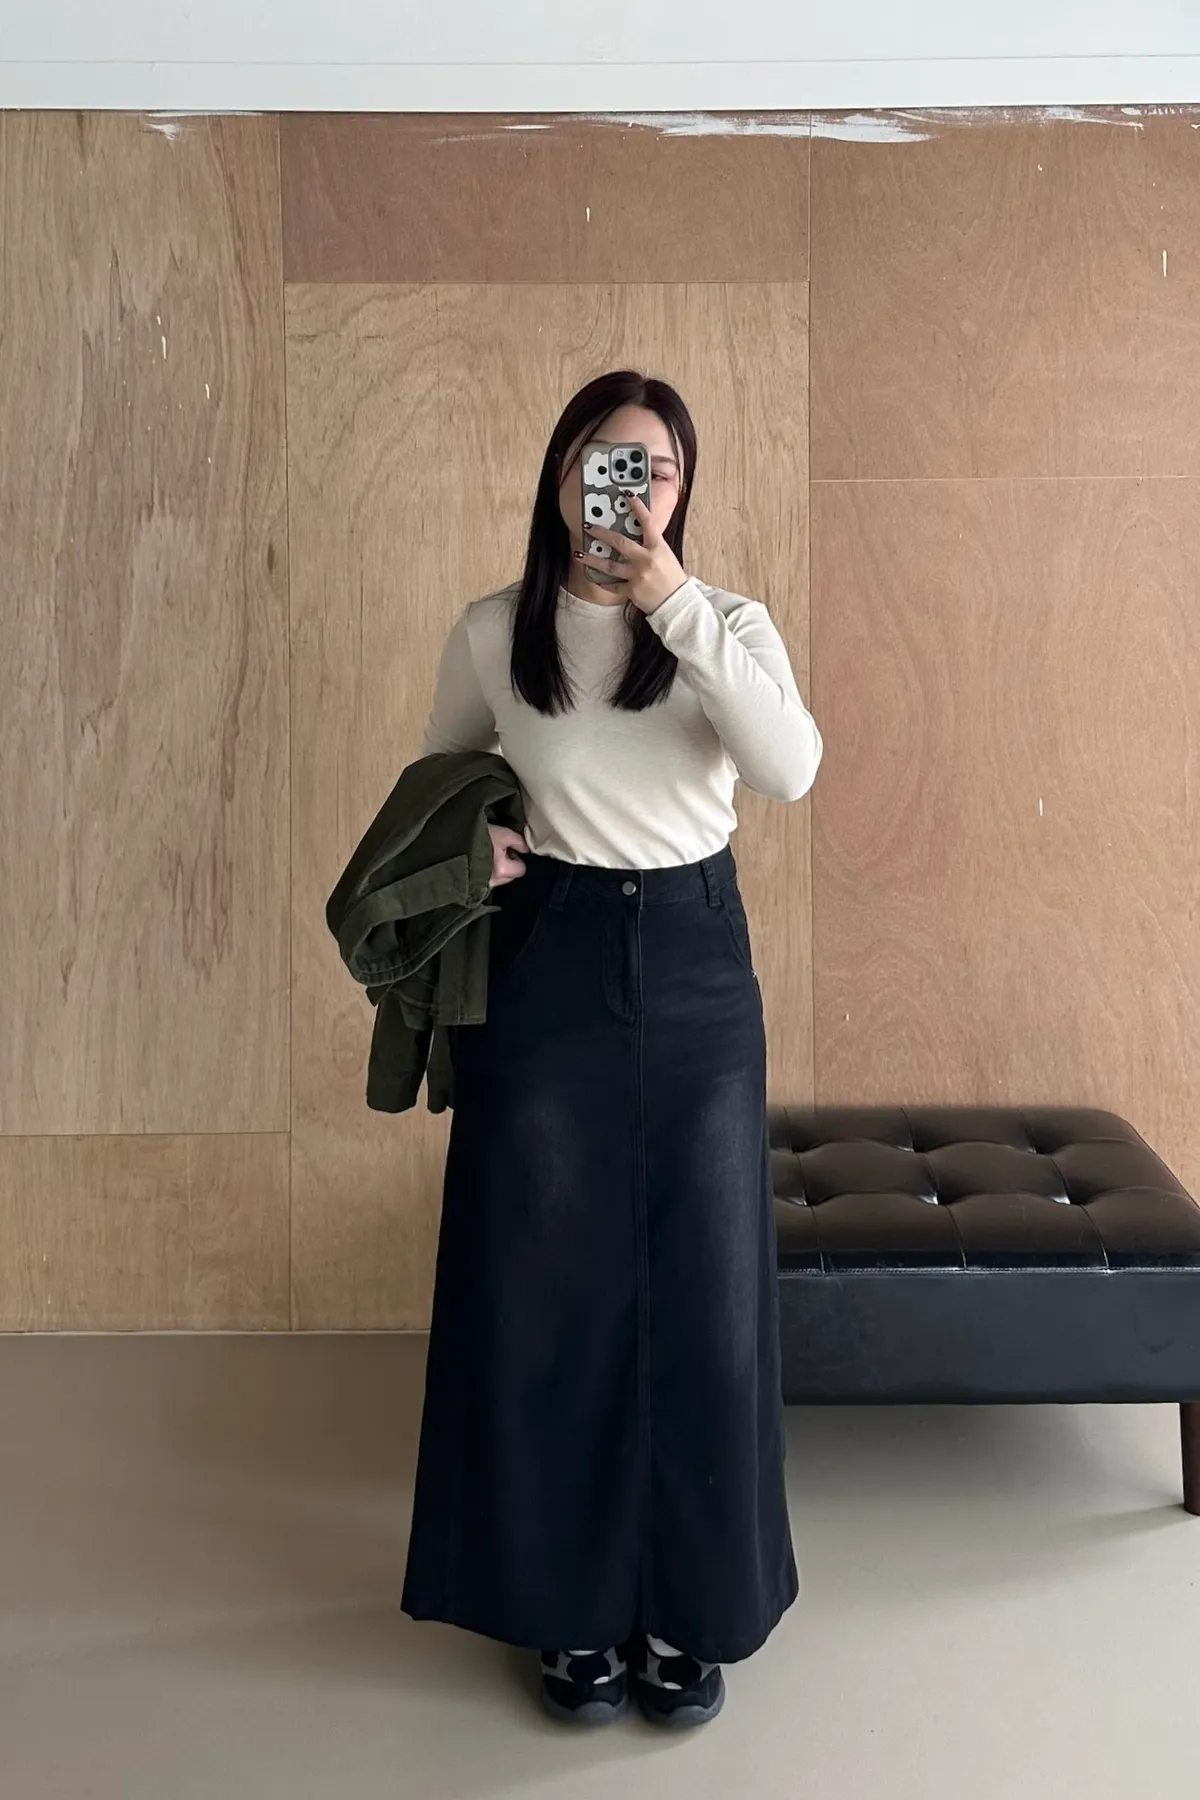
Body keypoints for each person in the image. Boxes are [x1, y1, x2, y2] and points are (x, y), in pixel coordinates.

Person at [400, 369, 823, 1729]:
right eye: (607, 459)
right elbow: (436, 782)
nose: (631, 488)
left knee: (705, 1298)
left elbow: (790, 768)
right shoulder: (494, 631)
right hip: (550, 957)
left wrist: (672, 601)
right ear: (563, 471)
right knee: (544, 1288)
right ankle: (567, 1609)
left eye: (658, 468)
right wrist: (482, 842)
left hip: (697, 962)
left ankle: (689, 1612)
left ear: (683, 490)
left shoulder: (726, 624)